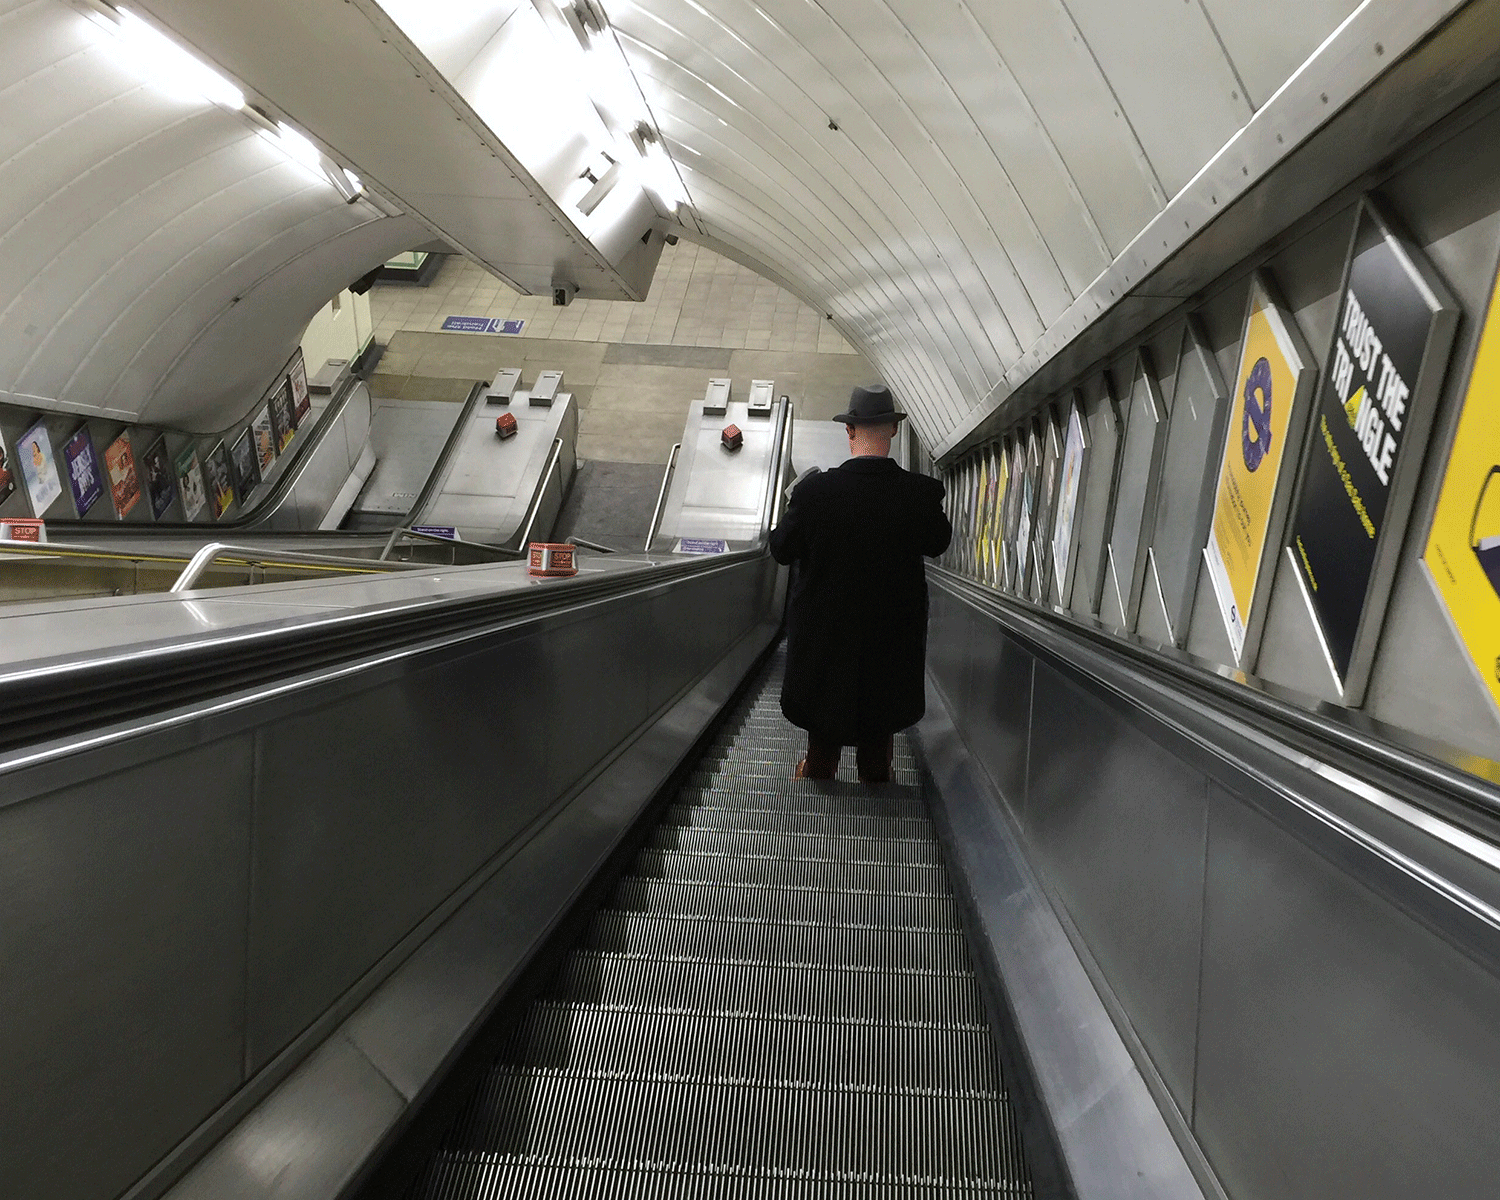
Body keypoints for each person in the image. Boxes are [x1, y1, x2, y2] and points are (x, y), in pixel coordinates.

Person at [769, 384, 951, 783]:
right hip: (890, 643)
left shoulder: (815, 493)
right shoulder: (918, 495)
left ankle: (817, 771)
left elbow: (781, 549)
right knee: (878, 731)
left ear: (849, 431)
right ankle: (876, 776)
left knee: (821, 724)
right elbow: (939, 542)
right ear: (894, 431)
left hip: (825, 638)